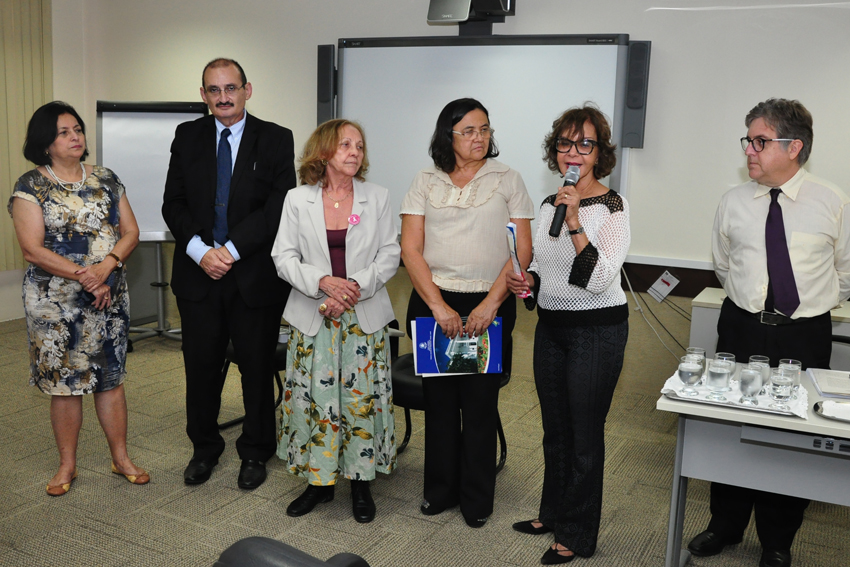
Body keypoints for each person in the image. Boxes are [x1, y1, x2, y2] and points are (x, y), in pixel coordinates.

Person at [688, 99, 850, 567]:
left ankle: (778, 540)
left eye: (760, 141)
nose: (749, 150)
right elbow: (723, 266)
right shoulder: (733, 201)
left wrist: (804, 308)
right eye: (748, 140)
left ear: (793, 147)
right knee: (730, 426)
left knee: (790, 434)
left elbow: (844, 274)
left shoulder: (833, 202)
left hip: (803, 334)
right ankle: (725, 524)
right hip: (740, 327)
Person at [162, 58, 296, 490]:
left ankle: (256, 451)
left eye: (231, 88)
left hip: (253, 277)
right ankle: (204, 448)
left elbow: (277, 207)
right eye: (214, 90)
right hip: (198, 275)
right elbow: (173, 203)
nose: (223, 97)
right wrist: (202, 252)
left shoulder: (275, 138)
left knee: (256, 369)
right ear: (203, 95)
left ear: (247, 90)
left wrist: (230, 251)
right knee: (200, 370)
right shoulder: (187, 136)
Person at [400, 98, 534, 528]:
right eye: (470, 130)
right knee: (439, 405)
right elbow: (410, 249)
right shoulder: (425, 180)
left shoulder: (508, 179)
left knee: (478, 406)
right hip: (434, 304)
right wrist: (438, 305)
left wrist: (490, 305)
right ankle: (440, 491)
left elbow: (522, 250)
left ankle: (477, 499)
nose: (480, 137)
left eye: (485, 129)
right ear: (449, 135)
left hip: (488, 304)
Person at [507, 105, 630, 564]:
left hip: (597, 331)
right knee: (554, 431)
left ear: (599, 154)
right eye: (565, 143)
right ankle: (554, 513)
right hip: (552, 328)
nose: (572, 152)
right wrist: (527, 281)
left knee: (584, 436)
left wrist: (576, 221)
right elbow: (544, 266)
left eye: (584, 144)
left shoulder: (614, 207)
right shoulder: (548, 205)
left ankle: (577, 534)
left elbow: (596, 279)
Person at [9, 101, 148, 496]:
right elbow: (32, 249)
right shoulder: (30, 185)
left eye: (78, 129)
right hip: (54, 303)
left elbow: (131, 232)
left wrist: (107, 267)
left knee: (110, 379)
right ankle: (66, 465)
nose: (75, 137)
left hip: (107, 297)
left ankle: (121, 458)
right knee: (64, 383)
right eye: (64, 132)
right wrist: (87, 275)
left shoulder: (106, 178)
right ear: (45, 143)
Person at [271, 119, 399, 523]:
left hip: (363, 315)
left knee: (360, 403)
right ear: (324, 151)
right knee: (315, 402)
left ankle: (361, 484)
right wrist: (323, 283)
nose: (355, 152)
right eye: (345, 145)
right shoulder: (297, 199)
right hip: (313, 315)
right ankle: (319, 483)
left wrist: (352, 288)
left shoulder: (378, 197)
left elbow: (390, 254)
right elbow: (283, 257)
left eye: (359, 146)